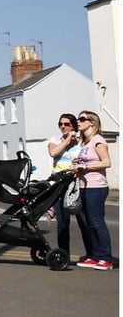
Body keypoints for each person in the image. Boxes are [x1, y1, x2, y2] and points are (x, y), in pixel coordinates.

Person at [71, 111, 114, 271]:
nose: (78, 121)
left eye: (82, 119)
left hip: (96, 187)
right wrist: (77, 163)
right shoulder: (85, 143)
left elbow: (106, 162)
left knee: (97, 222)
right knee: (88, 224)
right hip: (84, 187)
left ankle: (106, 258)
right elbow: (86, 162)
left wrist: (85, 166)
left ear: (92, 123)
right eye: (78, 119)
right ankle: (95, 256)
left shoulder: (98, 140)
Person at [47, 113, 91, 261]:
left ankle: (91, 254)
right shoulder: (55, 140)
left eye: (67, 124)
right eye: (61, 124)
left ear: (74, 126)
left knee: (84, 221)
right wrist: (66, 141)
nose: (63, 127)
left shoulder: (82, 143)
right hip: (59, 185)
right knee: (62, 224)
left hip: (76, 185)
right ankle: (63, 254)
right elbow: (53, 153)